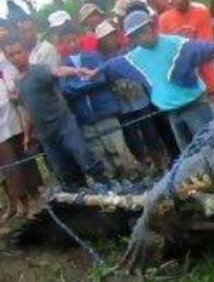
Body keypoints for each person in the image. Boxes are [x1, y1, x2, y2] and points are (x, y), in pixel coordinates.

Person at [98, 11, 214, 151]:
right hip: (171, 111)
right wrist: (96, 71)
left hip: (194, 105)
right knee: (188, 153)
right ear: (133, 39)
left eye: (147, 30)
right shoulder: (134, 58)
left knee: (211, 145)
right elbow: (113, 65)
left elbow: (196, 48)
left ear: (153, 27)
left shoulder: (174, 43)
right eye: (139, 34)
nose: (146, 35)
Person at [4, 38, 108, 191]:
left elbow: (58, 70)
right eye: (11, 55)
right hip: (45, 134)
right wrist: (27, 135)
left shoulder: (38, 70)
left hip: (63, 123)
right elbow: (26, 110)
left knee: (83, 154)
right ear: (8, 59)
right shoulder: (18, 83)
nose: (16, 57)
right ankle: (81, 195)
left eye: (19, 52)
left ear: (25, 52)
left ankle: (105, 184)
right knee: (63, 170)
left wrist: (77, 71)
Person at [58, 25, 141, 178]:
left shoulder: (94, 56)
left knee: (119, 148)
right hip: (84, 118)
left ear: (78, 38)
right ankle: (115, 184)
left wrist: (79, 85)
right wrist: (89, 81)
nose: (71, 44)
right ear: (63, 44)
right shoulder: (63, 67)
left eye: (73, 40)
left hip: (105, 111)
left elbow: (103, 77)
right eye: (67, 42)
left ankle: (135, 175)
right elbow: (65, 91)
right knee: (100, 155)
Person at [95, 20, 169, 171]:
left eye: (111, 35)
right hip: (121, 105)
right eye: (106, 38)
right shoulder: (100, 59)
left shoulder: (128, 50)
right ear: (101, 42)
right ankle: (144, 164)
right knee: (131, 137)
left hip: (140, 98)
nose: (110, 40)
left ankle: (160, 162)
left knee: (150, 132)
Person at [158, 0, 214, 114]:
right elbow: (167, 53)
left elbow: (206, 45)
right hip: (185, 85)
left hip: (207, 77)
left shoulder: (201, 13)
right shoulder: (164, 19)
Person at [0, 42, 42, 221]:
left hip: (15, 119)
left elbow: (14, 85)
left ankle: (37, 198)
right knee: (11, 167)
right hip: (1, 131)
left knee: (26, 160)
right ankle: (23, 203)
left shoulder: (5, 64)